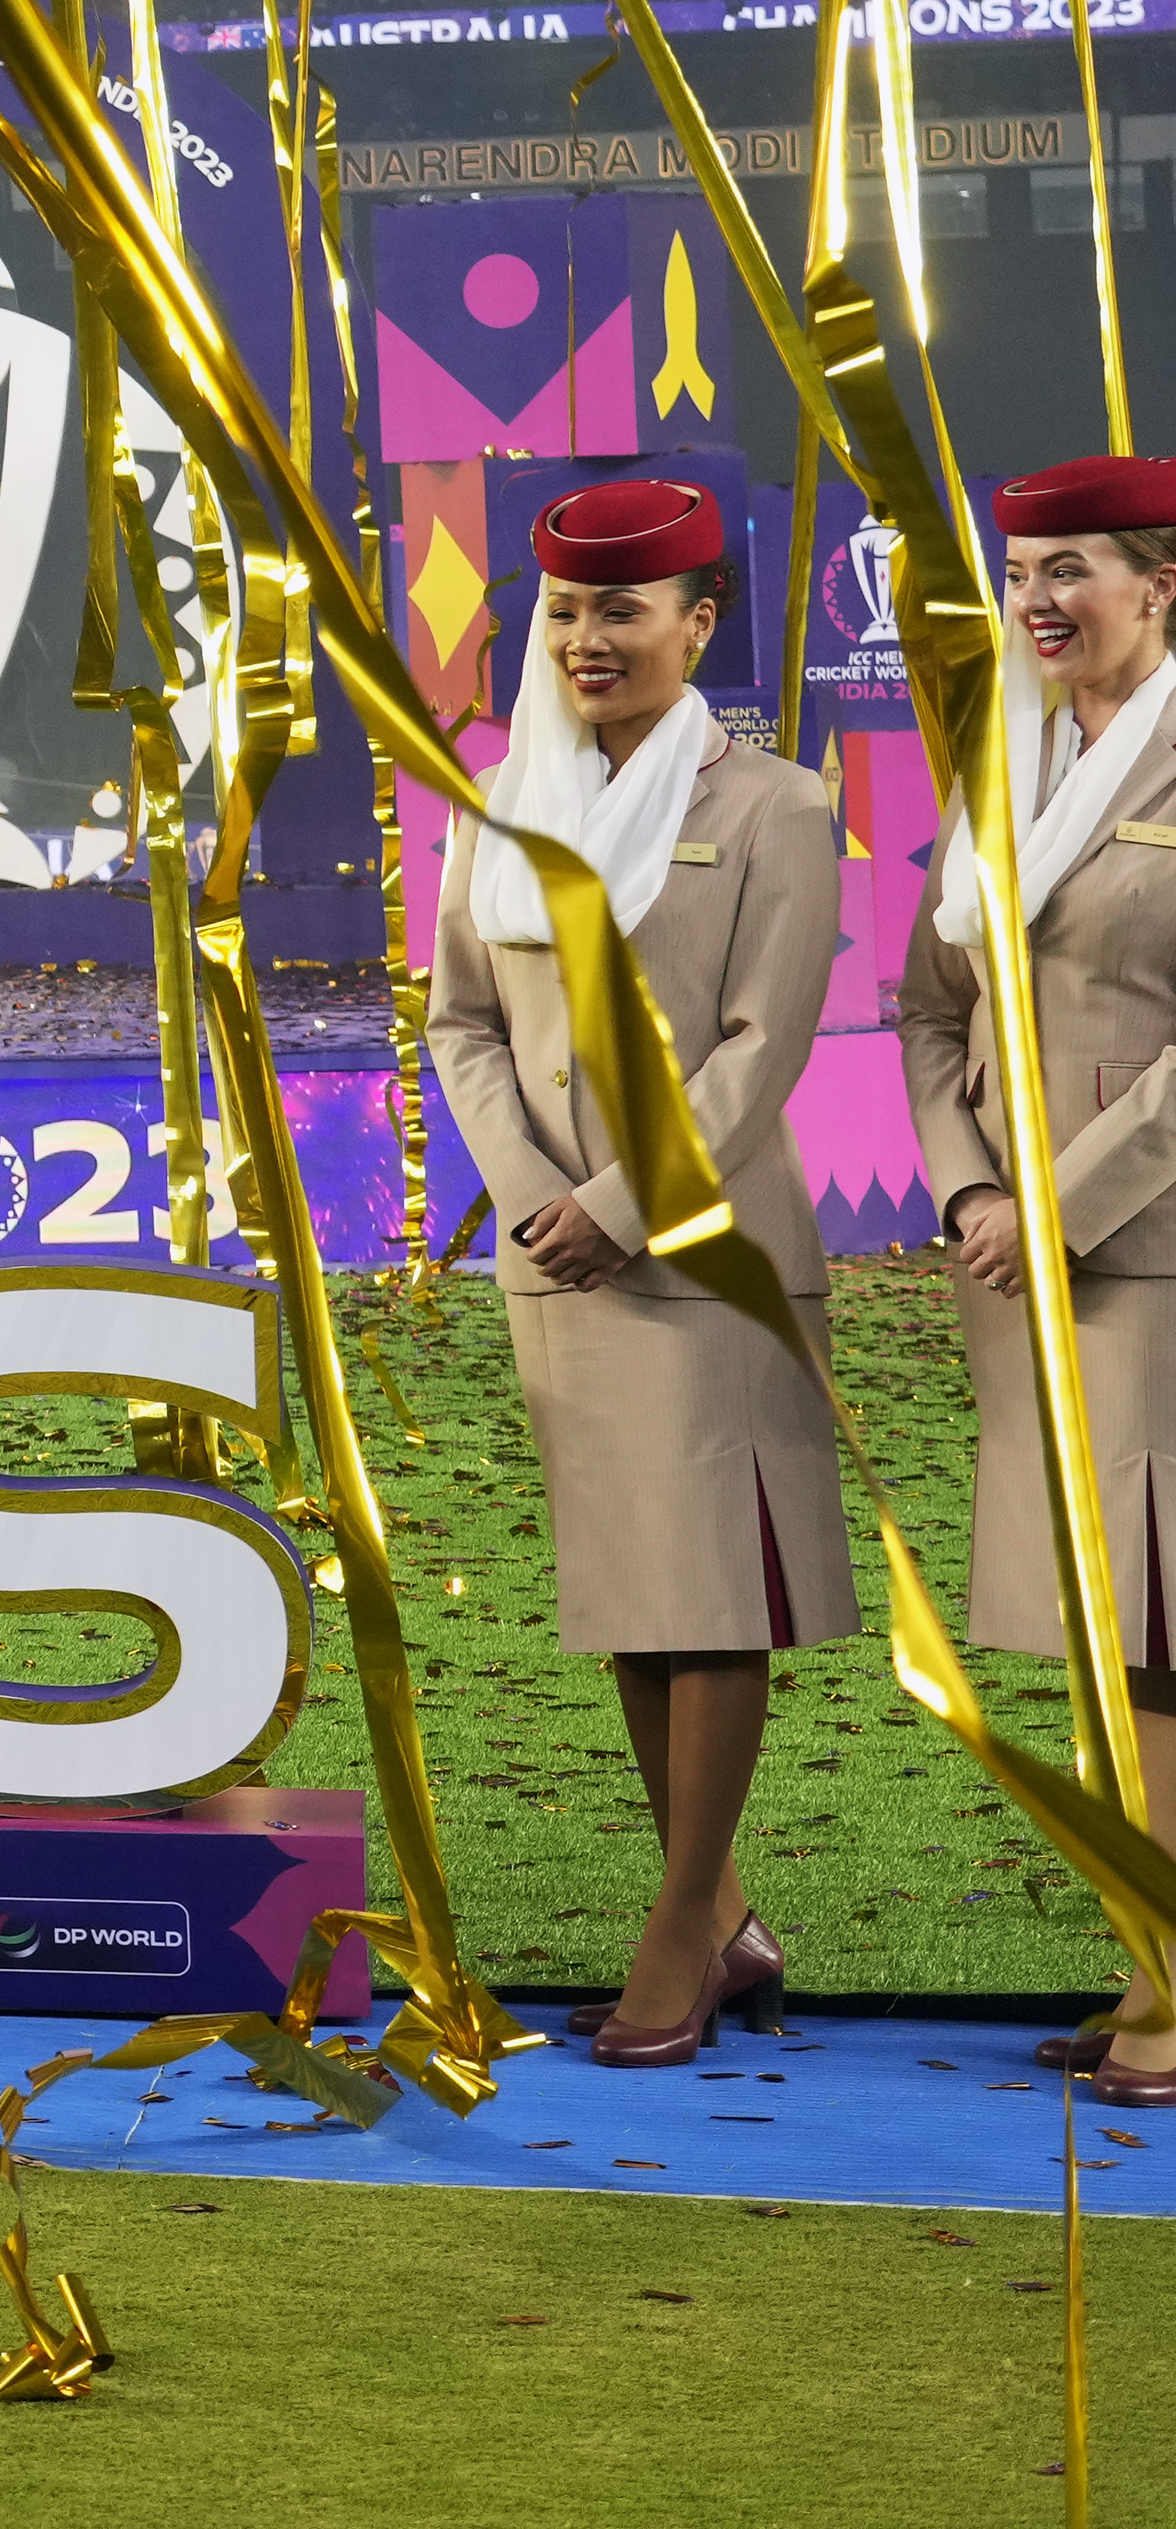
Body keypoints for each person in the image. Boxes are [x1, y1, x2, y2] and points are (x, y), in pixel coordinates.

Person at [420, 475, 845, 2071]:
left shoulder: (777, 810)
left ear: (699, 623)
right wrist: (539, 1199)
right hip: (563, 1265)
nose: (590, 638)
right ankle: (721, 1916)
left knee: (712, 1596)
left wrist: (620, 1199)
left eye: (623, 608)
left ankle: (679, 1936)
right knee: (631, 1605)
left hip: (709, 1259)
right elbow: (462, 1024)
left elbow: (762, 1049)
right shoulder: (500, 800)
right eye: (566, 611)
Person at [907, 452, 1176, 2104]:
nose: (1043, 596)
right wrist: (969, 1181)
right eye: (1026, 568)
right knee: (1098, 1636)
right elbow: (930, 1007)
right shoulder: (1001, 758)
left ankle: (1166, 1981)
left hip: (1146, 1260)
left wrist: (1058, 1201)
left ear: (1163, 582)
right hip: (1018, 1270)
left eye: (1075, 563)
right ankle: (1145, 1949)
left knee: (1161, 1638)